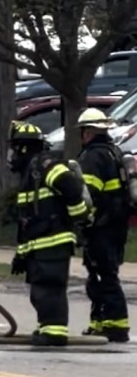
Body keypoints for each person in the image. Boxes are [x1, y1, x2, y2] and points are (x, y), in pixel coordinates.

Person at [7, 121, 89, 346]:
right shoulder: (30, 174)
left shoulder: (47, 165)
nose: (11, 155)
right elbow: (27, 222)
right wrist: (21, 254)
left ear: (24, 148)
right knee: (40, 290)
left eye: (14, 149)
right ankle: (47, 327)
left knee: (49, 288)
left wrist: (78, 218)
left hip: (53, 241)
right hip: (39, 244)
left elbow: (71, 190)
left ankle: (54, 333)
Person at [75, 108, 130, 342]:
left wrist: (81, 221)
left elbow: (88, 195)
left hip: (101, 226)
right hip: (117, 225)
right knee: (101, 275)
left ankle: (116, 325)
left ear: (88, 132)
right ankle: (100, 322)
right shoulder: (114, 152)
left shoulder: (92, 157)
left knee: (104, 276)